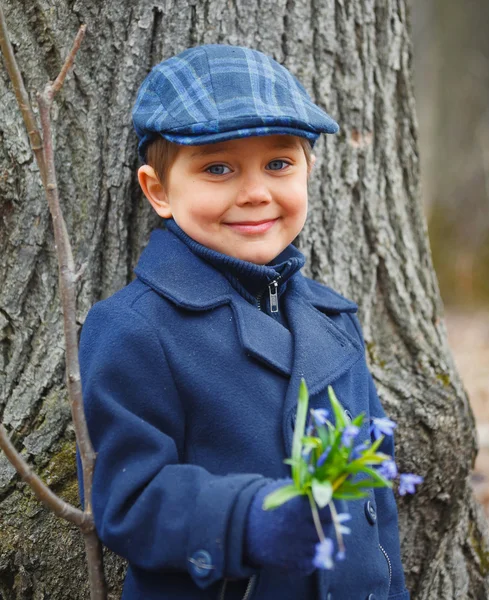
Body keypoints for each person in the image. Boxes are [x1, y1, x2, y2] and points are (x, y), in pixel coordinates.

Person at [76, 44, 410, 600]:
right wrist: (247, 521)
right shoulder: (134, 328)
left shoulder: (335, 320)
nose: (256, 193)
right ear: (158, 190)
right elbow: (129, 499)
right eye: (218, 168)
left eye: (279, 164)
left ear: (308, 171)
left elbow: (376, 505)